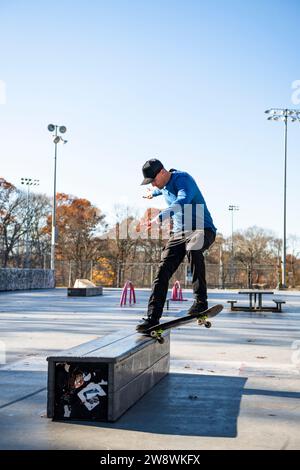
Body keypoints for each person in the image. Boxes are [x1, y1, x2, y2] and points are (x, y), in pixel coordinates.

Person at [136, 158, 217, 332]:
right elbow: (162, 190)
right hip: (179, 233)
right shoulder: (162, 186)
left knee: (194, 249)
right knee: (162, 270)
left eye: (154, 181)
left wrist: (159, 217)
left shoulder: (184, 180)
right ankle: (152, 318)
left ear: (162, 172)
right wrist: (152, 193)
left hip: (203, 229)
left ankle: (201, 302)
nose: (155, 185)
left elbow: (181, 202)